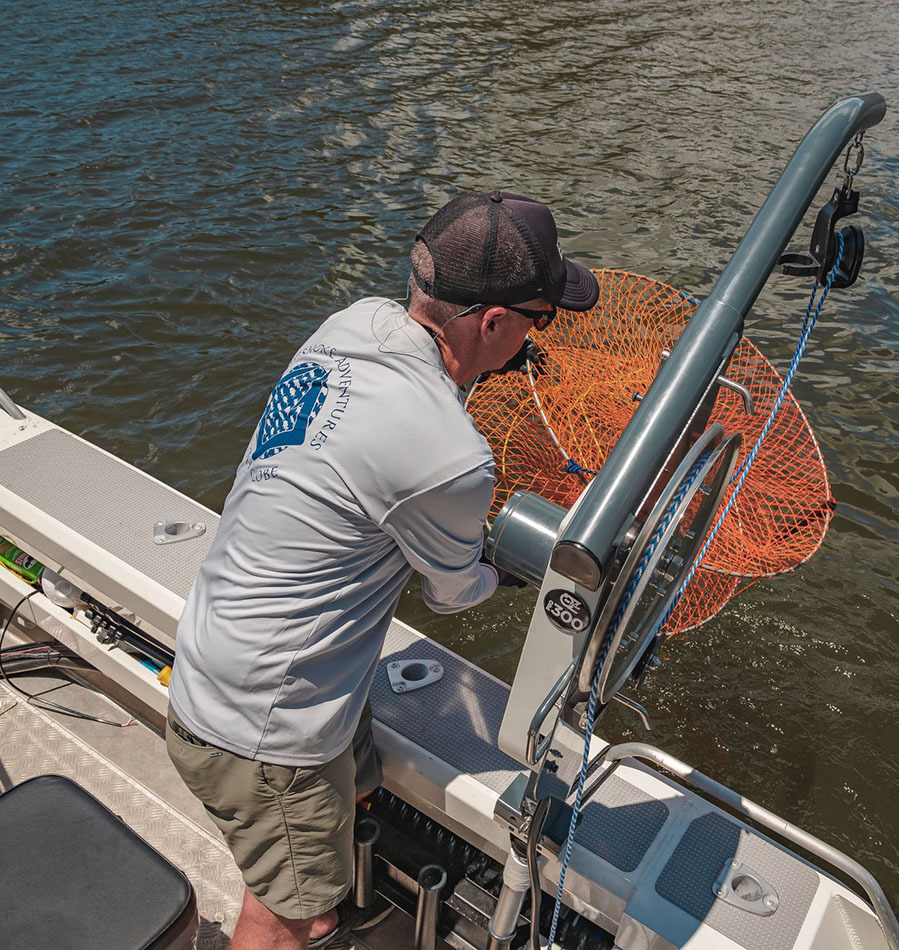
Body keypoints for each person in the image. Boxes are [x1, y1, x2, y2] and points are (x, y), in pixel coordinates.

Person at [165, 190, 599, 950]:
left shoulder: (351, 326)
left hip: (217, 650)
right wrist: (519, 563)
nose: (541, 335)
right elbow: (454, 592)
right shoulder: (453, 457)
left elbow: (382, 447)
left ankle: (314, 873)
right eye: (541, 318)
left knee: (345, 808)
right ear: (493, 321)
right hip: (262, 727)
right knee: (291, 915)